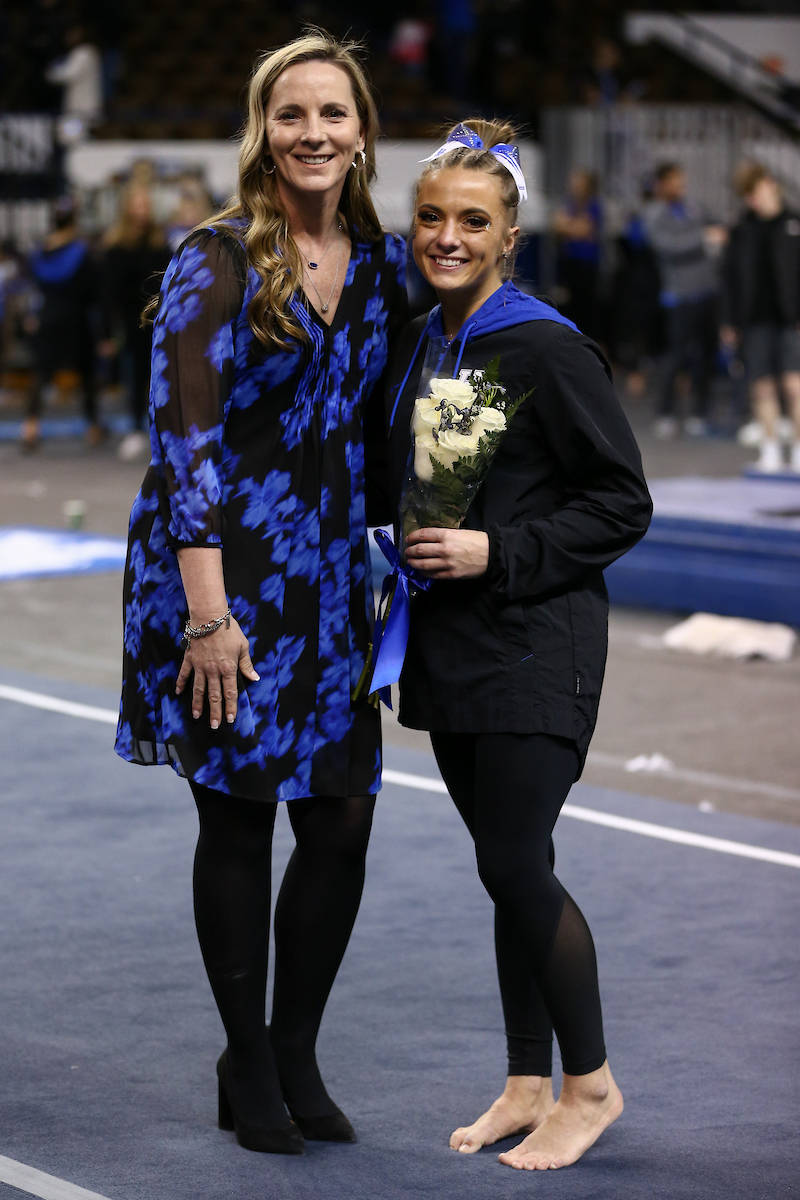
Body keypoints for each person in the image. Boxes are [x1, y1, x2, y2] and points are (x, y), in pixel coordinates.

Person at [114, 31, 407, 1156]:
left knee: (338, 821)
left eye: (333, 114)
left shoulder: (378, 262)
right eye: (292, 115)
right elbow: (181, 440)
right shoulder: (217, 256)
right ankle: (245, 1055)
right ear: (261, 128)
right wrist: (208, 615)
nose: (313, 134)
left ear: (362, 131)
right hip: (221, 578)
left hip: (330, 586)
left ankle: (291, 1049)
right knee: (237, 819)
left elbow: (384, 425)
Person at [381, 119, 651, 1171]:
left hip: (537, 637)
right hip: (449, 643)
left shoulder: (544, 342)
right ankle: (524, 1082)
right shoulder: (424, 340)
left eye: (471, 222)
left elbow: (620, 504)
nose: (446, 236)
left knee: (508, 858)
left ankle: (589, 1085)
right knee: (511, 867)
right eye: (432, 218)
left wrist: (499, 550)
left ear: (509, 234)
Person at [721, 163, 800, 473]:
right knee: (761, 385)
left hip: (790, 318)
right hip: (753, 318)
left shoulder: (794, 222)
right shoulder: (742, 228)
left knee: (794, 384)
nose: (752, 200)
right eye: (747, 195)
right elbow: (729, 277)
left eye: (754, 191)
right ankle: (770, 447)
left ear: (770, 184)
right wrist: (728, 321)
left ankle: (797, 447)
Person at [644, 162, 727, 438]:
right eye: (675, 181)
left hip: (707, 292)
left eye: (682, 180)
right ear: (662, 184)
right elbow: (669, 247)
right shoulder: (654, 214)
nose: (681, 186)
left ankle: (700, 412)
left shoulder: (694, 205)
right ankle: (665, 412)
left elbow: (715, 223)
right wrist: (703, 238)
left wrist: (716, 232)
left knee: (707, 355)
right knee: (676, 355)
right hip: (680, 296)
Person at [22, 196, 103, 452]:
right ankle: (92, 427)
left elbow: (36, 287)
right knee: (86, 374)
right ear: (74, 220)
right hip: (75, 319)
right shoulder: (83, 253)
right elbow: (93, 292)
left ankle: (31, 426)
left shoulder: (40, 253)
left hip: (48, 317)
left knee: (41, 373)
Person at [100, 184, 171, 462]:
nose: (142, 211)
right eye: (137, 205)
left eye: (146, 205)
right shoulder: (116, 246)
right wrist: (106, 332)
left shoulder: (159, 243)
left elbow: (168, 281)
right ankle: (134, 428)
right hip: (131, 323)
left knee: (159, 377)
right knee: (134, 375)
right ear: (127, 210)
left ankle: (161, 430)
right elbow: (107, 294)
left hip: (159, 321)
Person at [552, 169, 604, 344]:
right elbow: (558, 225)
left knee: (588, 306)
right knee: (570, 304)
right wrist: (573, 227)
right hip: (570, 262)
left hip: (588, 264)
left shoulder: (594, 205)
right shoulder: (569, 203)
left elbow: (584, 229)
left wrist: (570, 227)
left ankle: (592, 342)